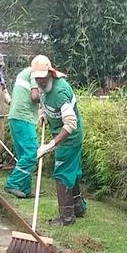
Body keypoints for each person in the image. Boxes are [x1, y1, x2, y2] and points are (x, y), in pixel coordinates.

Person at [33, 55, 87, 225]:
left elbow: (70, 123)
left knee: (62, 173)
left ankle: (67, 217)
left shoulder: (61, 91)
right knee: (72, 171)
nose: (41, 82)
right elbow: (44, 103)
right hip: (60, 136)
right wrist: (43, 115)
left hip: (69, 138)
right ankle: (78, 207)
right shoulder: (44, 89)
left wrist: (51, 145)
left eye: (43, 78)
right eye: (37, 78)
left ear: (51, 73)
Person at [3, 60, 41, 198]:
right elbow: (35, 96)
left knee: (23, 155)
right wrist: (46, 100)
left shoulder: (23, 73)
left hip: (15, 116)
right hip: (24, 117)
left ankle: (24, 188)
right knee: (31, 153)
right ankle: (12, 183)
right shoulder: (34, 74)